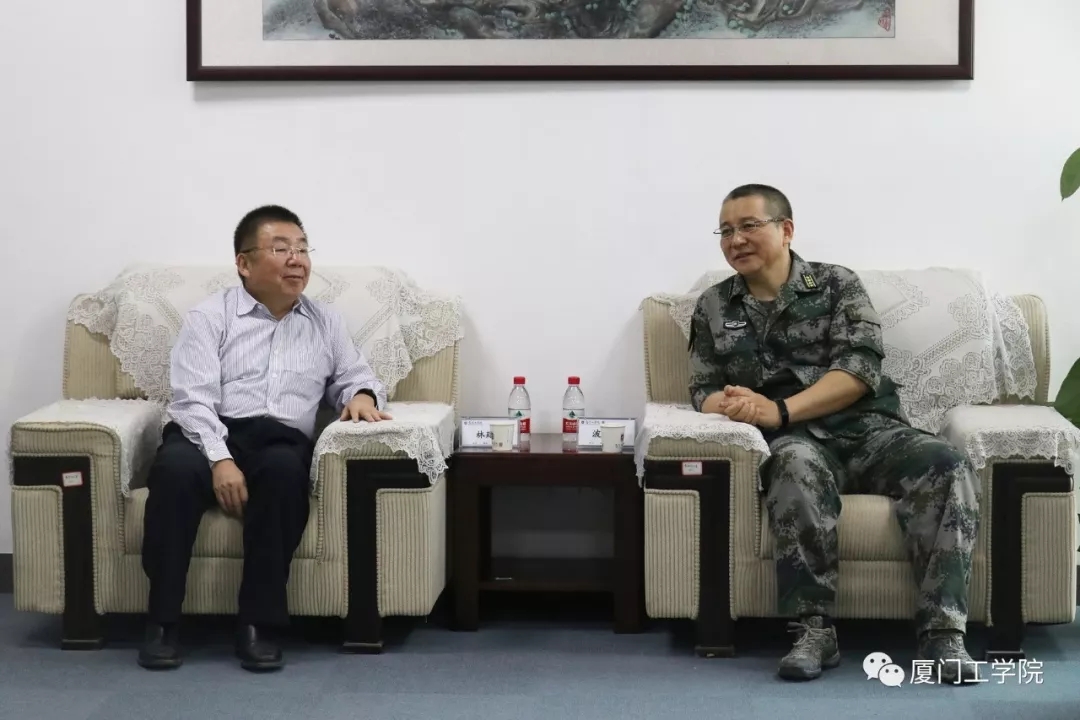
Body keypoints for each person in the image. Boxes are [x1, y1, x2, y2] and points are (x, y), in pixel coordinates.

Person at [688, 184, 980, 684]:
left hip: (869, 428)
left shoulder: (836, 284)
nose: (735, 240)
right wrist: (737, 405)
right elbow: (702, 390)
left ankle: (943, 634)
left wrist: (778, 409)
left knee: (947, 464)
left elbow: (859, 370)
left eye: (749, 226)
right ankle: (813, 631)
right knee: (792, 466)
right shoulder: (714, 306)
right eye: (726, 230)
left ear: (786, 230)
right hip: (796, 441)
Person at [138, 205, 391, 672]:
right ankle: (162, 622)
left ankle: (257, 624)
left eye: (302, 249)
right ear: (244, 263)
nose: (297, 260)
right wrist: (220, 460)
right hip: (207, 430)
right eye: (280, 249)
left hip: (278, 441)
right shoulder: (209, 316)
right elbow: (192, 400)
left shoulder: (325, 321)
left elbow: (355, 374)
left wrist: (360, 394)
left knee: (284, 474)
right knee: (173, 473)